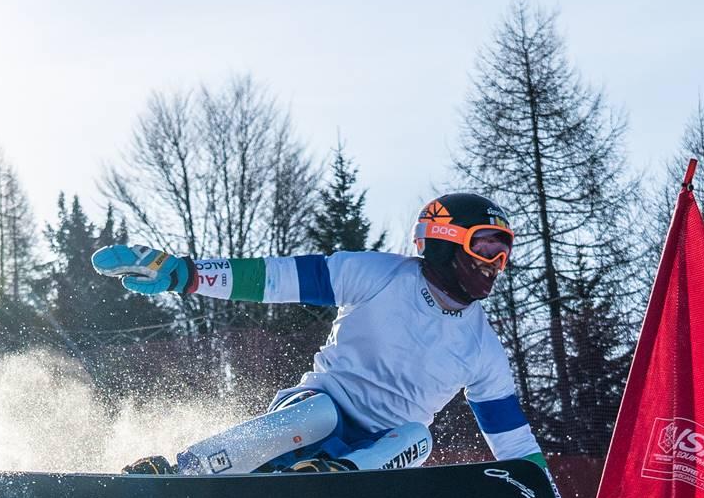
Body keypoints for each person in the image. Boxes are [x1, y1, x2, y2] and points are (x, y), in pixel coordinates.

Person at [94, 191, 550, 482]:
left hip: (379, 455)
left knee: (419, 436)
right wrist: (186, 274)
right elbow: (275, 278)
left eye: (504, 252)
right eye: (486, 246)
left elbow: (513, 443)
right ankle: (183, 474)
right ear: (446, 241)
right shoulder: (379, 275)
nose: (495, 262)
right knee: (318, 412)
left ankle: (333, 483)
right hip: (312, 417)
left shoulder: (484, 349)